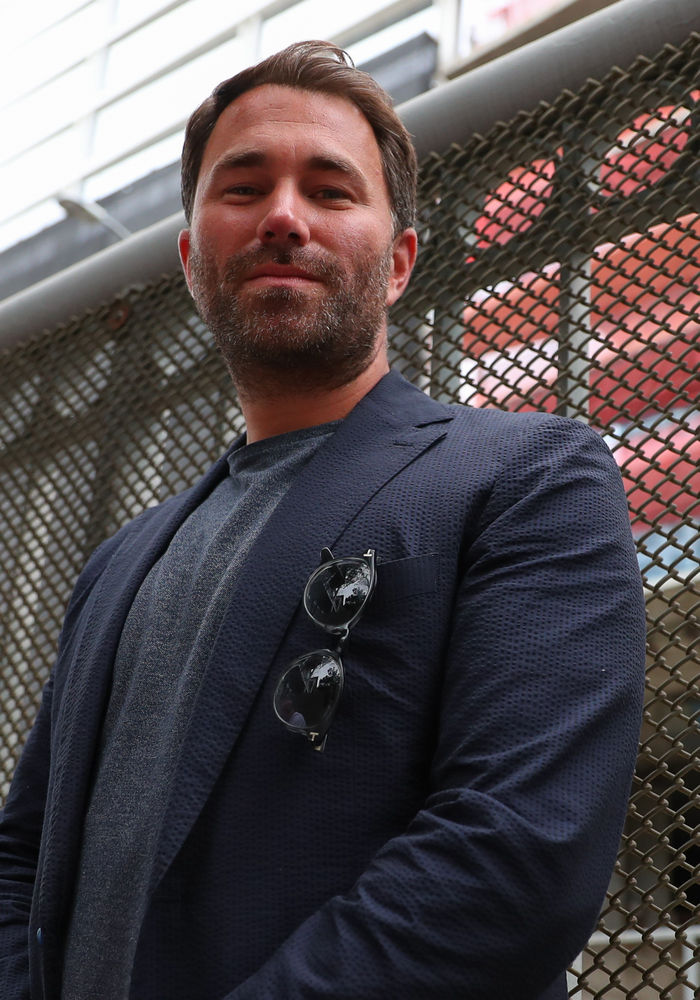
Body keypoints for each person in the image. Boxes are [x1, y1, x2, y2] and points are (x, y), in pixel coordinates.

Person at [0, 40, 645, 1000]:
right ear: (191, 259)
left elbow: (518, 850)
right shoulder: (117, 564)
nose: (283, 217)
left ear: (399, 263)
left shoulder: (527, 477)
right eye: (243, 187)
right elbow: (23, 857)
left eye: (332, 191)